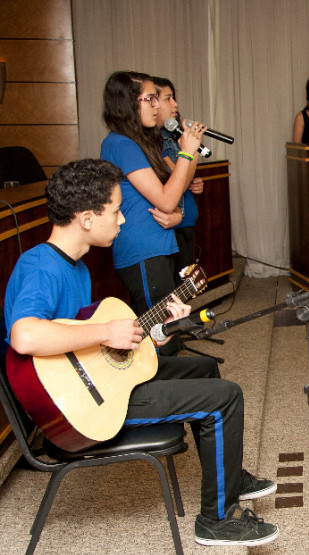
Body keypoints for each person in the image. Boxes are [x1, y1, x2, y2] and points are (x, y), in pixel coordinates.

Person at [3, 159, 279, 546]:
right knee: (226, 397)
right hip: (75, 410)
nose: (122, 221)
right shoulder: (41, 267)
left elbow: (85, 347)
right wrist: (107, 330)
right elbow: (24, 336)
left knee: (201, 368)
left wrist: (156, 332)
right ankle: (216, 521)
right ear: (86, 218)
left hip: (89, 386)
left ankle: (229, 477)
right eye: (116, 211)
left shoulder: (77, 268)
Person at [100, 71, 204, 356]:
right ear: (126, 103)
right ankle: (159, 398)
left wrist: (187, 154)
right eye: (150, 99)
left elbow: (176, 189)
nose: (157, 106)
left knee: (167, 331)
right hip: (142, 249)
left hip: (158, 244)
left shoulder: (139, 142)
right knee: (160, 337)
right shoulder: (121, 144)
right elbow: (167, 200)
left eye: (158, 99)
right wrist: (187, 153)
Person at [151, 76, 205, 275]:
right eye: (168, 98)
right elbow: (179, 183)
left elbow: (185, 179)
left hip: (186, 221)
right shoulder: (154, 143)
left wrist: (195, 181)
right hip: (172, 226)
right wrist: (193, 150)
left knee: (183, 286)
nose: (175, 104)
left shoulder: (172, 136)